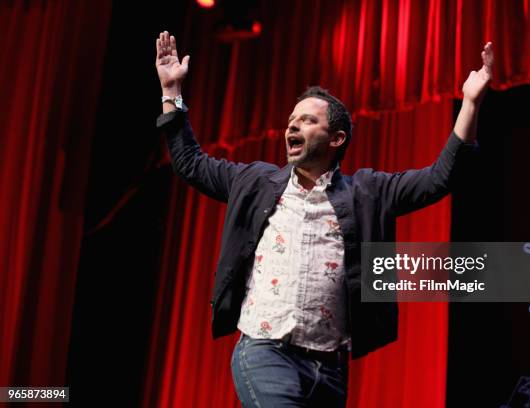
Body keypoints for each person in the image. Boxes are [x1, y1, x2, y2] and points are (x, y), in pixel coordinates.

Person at [155, 30, 493, 407]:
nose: (292, 126)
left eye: (307, 120)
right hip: (267, 352)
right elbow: (190, 163)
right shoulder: (256, 182)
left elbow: (440, 178)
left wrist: (470, 103)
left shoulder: (367, 192)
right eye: (291, 120)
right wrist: (171, 93)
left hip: (330, 368)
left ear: (336, 139)